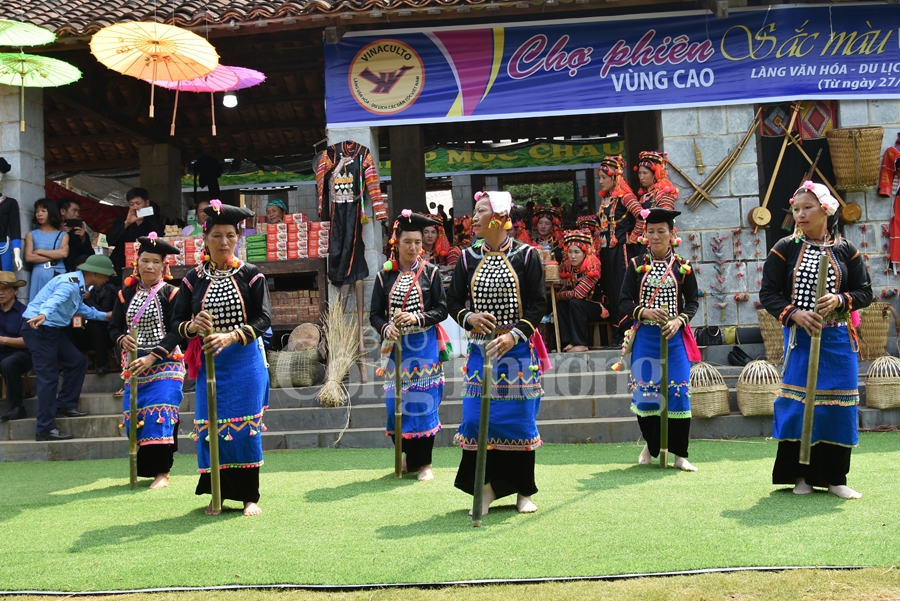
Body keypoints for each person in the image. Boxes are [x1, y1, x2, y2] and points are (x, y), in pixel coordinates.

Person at [759, 182, 872, 500]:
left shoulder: (846, 250)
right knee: (799, 406)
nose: (799, 214)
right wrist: (795, 314)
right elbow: (768, 293)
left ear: (826, 209)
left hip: (837, 341)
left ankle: (836, 479)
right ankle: (800, 476)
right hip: (802, 340)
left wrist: (839, 299)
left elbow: (865, 292)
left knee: (838, 407)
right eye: (796, 208)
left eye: (807, 207)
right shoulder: (785, 248)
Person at [448, 191, 548, 516]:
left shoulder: (527, 256)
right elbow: (451, 303)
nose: (473, 217)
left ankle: (523, 491)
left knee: (519, 422)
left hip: (517, 354)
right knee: (476, 419)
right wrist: (469, 317)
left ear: (498, 217)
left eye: (479, 211)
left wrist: (513, 335)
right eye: (473, 211)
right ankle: (486, 488)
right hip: (480, 354)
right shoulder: (467, 258)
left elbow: (537, 305)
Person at [173, 201, 271, 516]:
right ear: (206, 239)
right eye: (217, 235)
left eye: (230, 235)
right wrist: (192, 326)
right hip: (209, 366)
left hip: (244, 363)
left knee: (245, 427)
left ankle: (248, 497)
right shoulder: (192, 279)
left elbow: (265, 318)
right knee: (210, 425)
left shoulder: (252, 275)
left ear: (237, 238)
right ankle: (217, 493)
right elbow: (176, 325)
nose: (224, 242)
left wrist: (231, 336)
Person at [618, 208, 700, 472]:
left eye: (661, 231)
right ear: (645, 234)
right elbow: (623, 302)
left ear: (671, 233)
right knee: (646, 396)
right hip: (646, 338)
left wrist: (678, 320)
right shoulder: (635, 265)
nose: (655, 236)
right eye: (650, 231)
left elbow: (693, 302)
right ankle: (653, 446)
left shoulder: (683, 267)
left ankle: (680, 455)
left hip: (673, 338)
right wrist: (643, 311)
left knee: (678, 394)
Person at [371, 210, 448, 481]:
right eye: (408, 242)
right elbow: (375, 314)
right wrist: (386, 327)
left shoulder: (431, 273)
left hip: (424, 345)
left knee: (422, 402)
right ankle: (408, 458)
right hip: (395, 349)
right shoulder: (384, 276)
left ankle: (424, 462)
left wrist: (417, 317)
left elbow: (442, 310)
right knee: (395, 404)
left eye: (418, 242)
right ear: (396, 242)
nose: (414, 247)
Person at [110, 234, 185, 490]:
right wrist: (122, 340)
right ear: (136, 263)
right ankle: (146, 470)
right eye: (145, 261)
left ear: (164, 266)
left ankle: (163, 472)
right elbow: (114, 327)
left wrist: (153, 355)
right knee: (137, 417)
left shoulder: (172, 293)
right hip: (134, 366)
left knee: (160, 415)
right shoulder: (124, 293)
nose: (149, 266)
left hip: (166, 363)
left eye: (155, 262)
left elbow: (177, 330)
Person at [21, 255, 115, 441]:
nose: (107, 279)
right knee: (48, 377)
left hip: (53, 329)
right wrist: (43, 314)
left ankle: (65, 404)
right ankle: (45, 428)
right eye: (106, 275)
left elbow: (80, 308)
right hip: (39, 327)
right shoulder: (70, 283)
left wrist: (105, 316)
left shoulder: (79, 285)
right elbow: (56, 300)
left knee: (76, 362)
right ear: (94, 273)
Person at [597, 155, 641, 344]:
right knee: (611, 289)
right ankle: (617, 330)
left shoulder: (626, 197)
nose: (600, 181)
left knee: (622, 287)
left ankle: (626, 331)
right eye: (599, 177)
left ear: (614, 177)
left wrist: (632, 237)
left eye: (603, 177)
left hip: (621, 251)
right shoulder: (607, 199)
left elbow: (643, 216)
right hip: (607, 251)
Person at [556, 229, 607, 353]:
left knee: (574, 302)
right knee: (562, 305)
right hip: (580, 306)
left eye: (577, 252)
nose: (572, 256)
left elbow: (578, 294)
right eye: (570, 252)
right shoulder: (568, 267)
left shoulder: (593, 267)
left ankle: (581, 343)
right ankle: (568, 341)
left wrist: (558, 295)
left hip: (596, 306)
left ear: (585, 253)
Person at [626, 151, 677, 260]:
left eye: (645, 173)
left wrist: (634, 235)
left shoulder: (664, 192)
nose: (641, 177)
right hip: (645, 240)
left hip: (658, 241)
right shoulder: (645, 195)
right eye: (639, 173)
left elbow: (665, 218)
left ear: (655, 174)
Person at [107, 188, 165, 282]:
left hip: (146, 268)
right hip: (121, 266)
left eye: (138, 203)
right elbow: (110, 240)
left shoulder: (154, 223)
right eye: (131, 204)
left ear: (147, 203)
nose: (135, 207)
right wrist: (127, 223)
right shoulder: (122, 221)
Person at [0, 272, 31, 422]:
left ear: (15, 291)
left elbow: (28, 341)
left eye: (5, 289)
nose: (1, 292)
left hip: (21, 354)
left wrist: (3, 340)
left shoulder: (25, 312)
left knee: (9, 363)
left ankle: (18, 406)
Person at [25, 198, 69, 300]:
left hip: (57, 272)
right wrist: (55, 255)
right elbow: (29, 257)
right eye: (37, 211)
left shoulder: (63, 235)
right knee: (38, 306)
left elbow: (64, 254)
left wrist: (40, 252)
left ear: (51, 212)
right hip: (39, 273)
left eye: (43, 211)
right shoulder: (31, 235)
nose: (39, 214)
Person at [58, 197, 95, 273]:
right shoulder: (54, 229)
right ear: (62, 211)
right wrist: (59, 233)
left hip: (75, 272)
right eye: (74, 211)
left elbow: (90, 255)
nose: (77, 214)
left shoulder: (79, 232)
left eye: (78, 211)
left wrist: (83, 238)